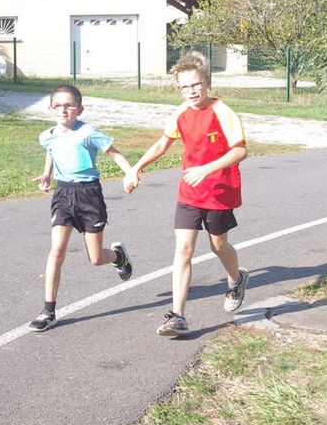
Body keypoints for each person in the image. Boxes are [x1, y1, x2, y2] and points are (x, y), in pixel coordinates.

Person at [123, 51, 248, 337]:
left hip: (219, 191)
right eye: (184, 87)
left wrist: (207, 168)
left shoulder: (222, 112)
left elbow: (241, 150)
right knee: (183, 250)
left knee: (219, 246)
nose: (191, 91)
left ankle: (235, 279)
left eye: (195, 85)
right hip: (190, 192)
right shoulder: (180, 113)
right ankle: (177, 315)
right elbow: (161, 145)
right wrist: (136, 168)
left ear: (207, 82)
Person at [28, 84, 134, 332]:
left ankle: (118, 256)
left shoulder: (88, 132)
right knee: (56, 251)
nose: (63, 110)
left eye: (69, 105)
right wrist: (46, 175)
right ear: (51, 108)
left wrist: (130, 173)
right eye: (58, 105)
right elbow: (51, 152)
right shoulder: (47, 136)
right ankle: (48, 311)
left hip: (89, 195)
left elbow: (114, 153)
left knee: (96, 259)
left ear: (79, 109)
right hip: (63, 193)